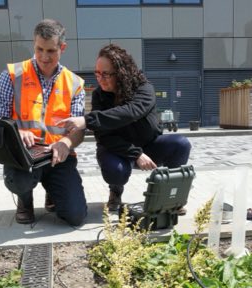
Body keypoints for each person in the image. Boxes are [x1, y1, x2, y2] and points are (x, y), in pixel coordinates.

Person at [59, 44, 191, 211]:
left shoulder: (144, 89)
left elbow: (131, 111)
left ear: (121, 73)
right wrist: (136, 154)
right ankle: (116, 191)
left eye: (105, 74)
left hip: (149, 145)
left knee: (181, 144)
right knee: (116, 171)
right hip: (117, 149)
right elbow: (104, 136)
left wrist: (87, 120)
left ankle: (171, 196)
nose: (100, 78)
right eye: (97, 73)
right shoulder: (100, 95)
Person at [0, 19, 87, 226]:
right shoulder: (11, 76)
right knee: (20, 181)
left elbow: (78, 130)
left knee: (76, 216)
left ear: (62, 48)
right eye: (39, 49)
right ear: (34, 44)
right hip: (24, 154)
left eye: (51, 51)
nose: (44, 57)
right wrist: (16, 132)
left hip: (57, 156)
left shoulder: (74, 84)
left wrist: (66, 143)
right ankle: (24, 199)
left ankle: (52, 191)